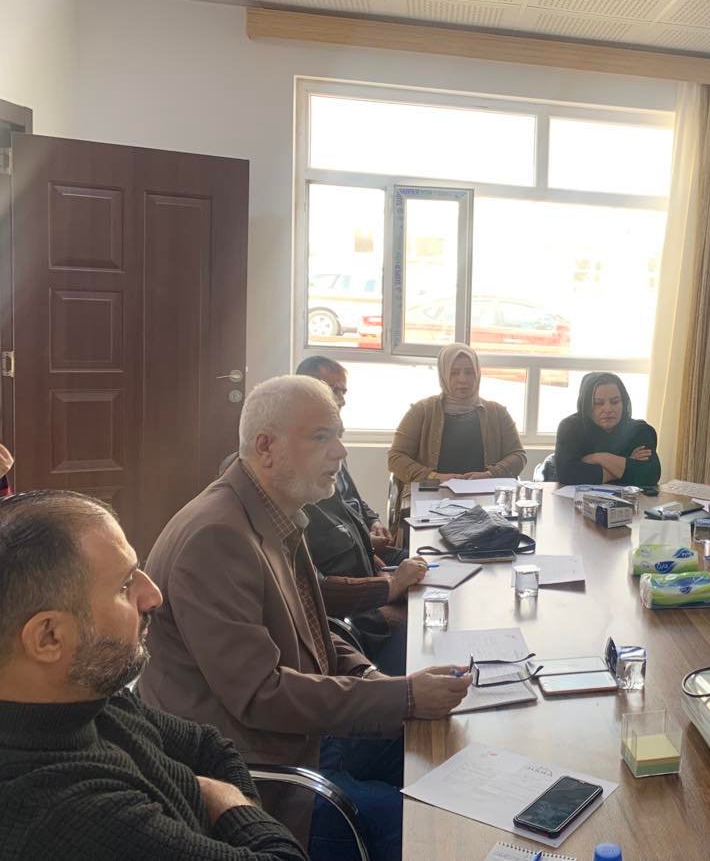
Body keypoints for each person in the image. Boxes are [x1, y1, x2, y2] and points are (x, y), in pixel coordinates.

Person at [141, 375, 471, 861]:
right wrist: (401, 695)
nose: (341, 451)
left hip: (304, 733)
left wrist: (370, 675)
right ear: (266, 447)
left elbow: (315, 629)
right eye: (321, 437)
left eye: (339, 434)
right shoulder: (217, 538)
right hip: (260, 774)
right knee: (430, 825)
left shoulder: (272, 513)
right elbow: (261, 695)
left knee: (447, 749)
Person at [0, 490, 306, 859]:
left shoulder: (88, 696)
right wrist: (224, 800)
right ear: (48, 637)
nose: (153, 595)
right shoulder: (69, 812)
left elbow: (209, 746)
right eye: (125, 586)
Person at [296, 357, 426, 675]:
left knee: (433, 577)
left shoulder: (329, 449)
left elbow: (352, 502)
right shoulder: (293, 495)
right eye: (333, 390)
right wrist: (388, 588)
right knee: (425, 625)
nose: (340, 398)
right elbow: (317, 592)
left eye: (343, 391)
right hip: (354, 612)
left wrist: (371, 526)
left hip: (365, 572)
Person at [388, 343, 526, 488]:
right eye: (454, 373)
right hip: (433, 492)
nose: (462, 379)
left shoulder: (497, 412)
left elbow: (518, 456)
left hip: (484, 492)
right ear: (443, 374)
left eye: (469, 372)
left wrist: (490, 475)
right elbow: (395, 458)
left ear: (477, 373)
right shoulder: (422, 411)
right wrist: (435, 477)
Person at [553, 373, 661, 487]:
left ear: (624, 402)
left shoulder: (640, 431)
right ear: (586, 405)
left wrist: (598, 458)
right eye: (598, 403)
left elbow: (650, 475)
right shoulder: (571, 428)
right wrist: (626, 464)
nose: (608, 409)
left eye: (615, 402)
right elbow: (567, 474)